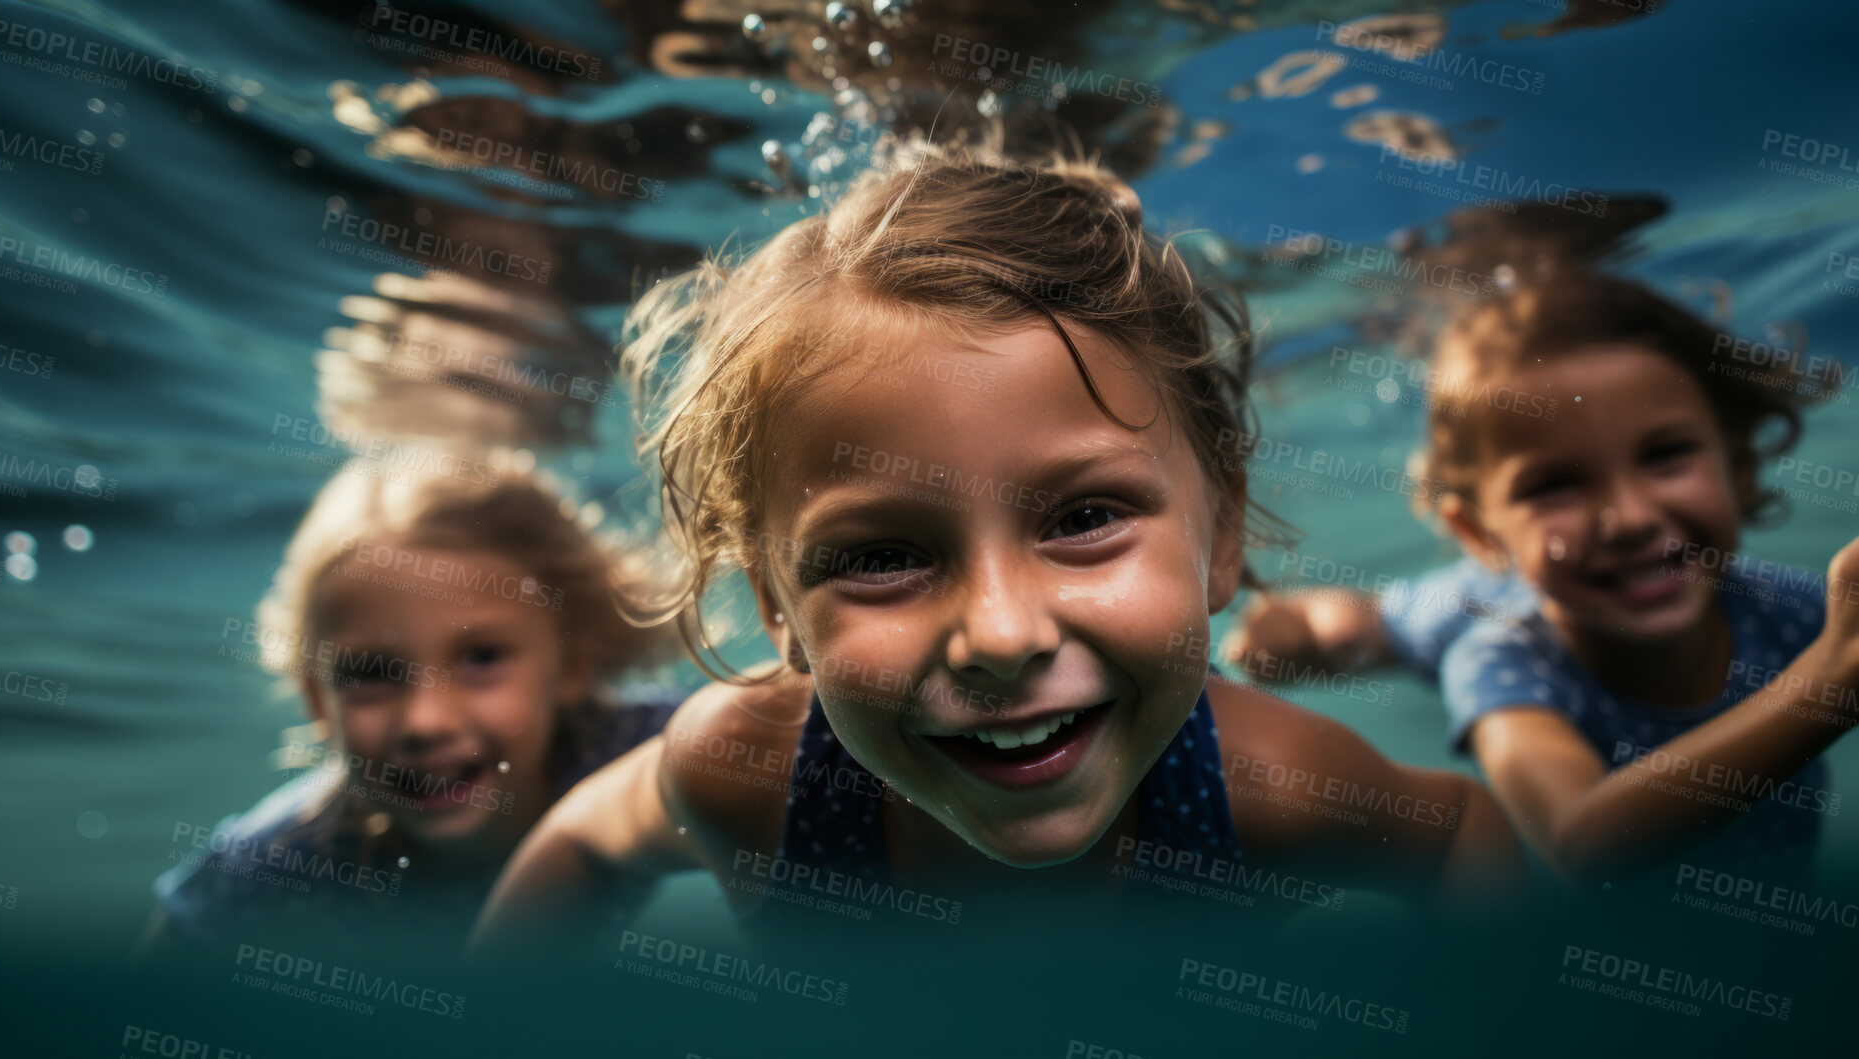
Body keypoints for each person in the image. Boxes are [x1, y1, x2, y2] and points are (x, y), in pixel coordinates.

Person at [471, 144, 1526, 955]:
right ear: (777, 608)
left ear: (1222, 538)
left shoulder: (1266, 793)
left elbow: (1455, 832)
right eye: (881, 556)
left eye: (1080, 521)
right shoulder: (746, 776)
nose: (1002, 635)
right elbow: (590, 837)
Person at [1228, 271, 1858, 885]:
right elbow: (1581, 841)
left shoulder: (1794, 611)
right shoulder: (1499, 664)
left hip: (1533, 582)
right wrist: (1827, 686)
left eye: (1665, 455)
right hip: (1487, 610)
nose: (1630, 518)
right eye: (1555, 484)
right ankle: (1314, 619)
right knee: (1357, 628)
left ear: (1739, 467)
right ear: (1477, 533)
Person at [142, 453, 677, 954]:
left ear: (572, 665)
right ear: (318, 701)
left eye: (482, 658)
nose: (426, 721)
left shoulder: (649, 751)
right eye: (370, 674)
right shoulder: (270, 869)